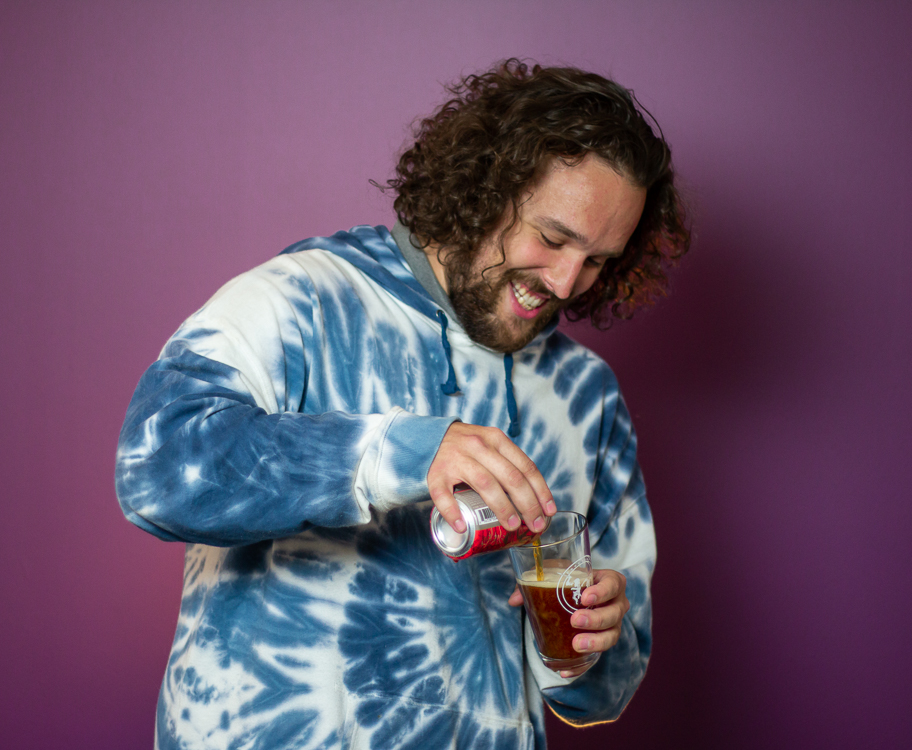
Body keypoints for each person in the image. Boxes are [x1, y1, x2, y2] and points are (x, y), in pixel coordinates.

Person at [116, 59, 690, 750]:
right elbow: (156, 466)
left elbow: (605, 691)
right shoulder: (305, 298)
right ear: (486, 190)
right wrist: (399, 450)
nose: (568, 281)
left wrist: (584, 647)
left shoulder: (586, 395)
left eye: (599, 259)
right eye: (554, 237)